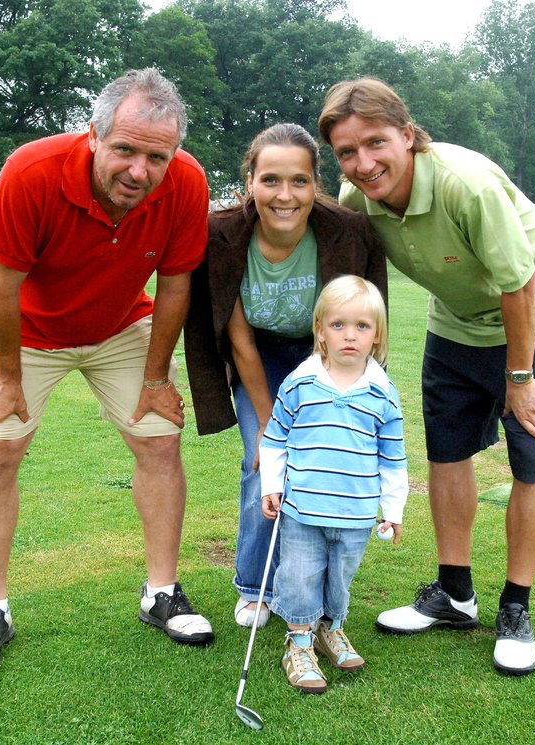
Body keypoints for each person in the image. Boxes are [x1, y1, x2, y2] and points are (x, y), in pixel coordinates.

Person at [0, 68, 213, 672]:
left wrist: (156, 378)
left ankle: (162, 593)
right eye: (124, 149)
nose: (139, 171)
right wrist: (9, 381)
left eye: (157, 156)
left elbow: (175, 288)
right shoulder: (32, 170)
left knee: (159, 442)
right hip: (28, 334)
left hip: (121, 326)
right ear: (93, 135)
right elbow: (1, 287)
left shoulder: (188, 182)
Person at [318, 78, 535, 677]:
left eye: (375, 143)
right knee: (447, 454)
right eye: (346, 153)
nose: (362, 163)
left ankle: (516, 608)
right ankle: (455, 595)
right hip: (456, 321)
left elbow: (520, 282)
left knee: (532, 457)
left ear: (408, 136)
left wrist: (519, 376)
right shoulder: (358, 196)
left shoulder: (465, 185)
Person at [183, 123, 387, 631]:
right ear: (249, 179)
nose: (284, 194)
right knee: (263, 464)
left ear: (315, 183)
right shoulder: (222, 236)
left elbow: (364, 318)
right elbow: (241, 344)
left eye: (299, 181)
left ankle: (312, 583)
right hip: (260, 355)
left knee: (326, 462)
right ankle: (255, 586)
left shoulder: (348, 231)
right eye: (270, 179)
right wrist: (274, 427)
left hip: (325, 353)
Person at [258, 275, 408, 694]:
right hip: (303, 509)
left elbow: (393, 459)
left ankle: (331, 627)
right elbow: (274, 440)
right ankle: (300, 641)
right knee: (300, 575)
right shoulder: (300, 383)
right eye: (338, 325)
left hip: (357, 512)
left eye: (361, 326)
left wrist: (392, 510)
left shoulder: (383, 394)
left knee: (339, 578)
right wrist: (271, 484)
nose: (349, 335)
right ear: (320, 331)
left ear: (376, 335)